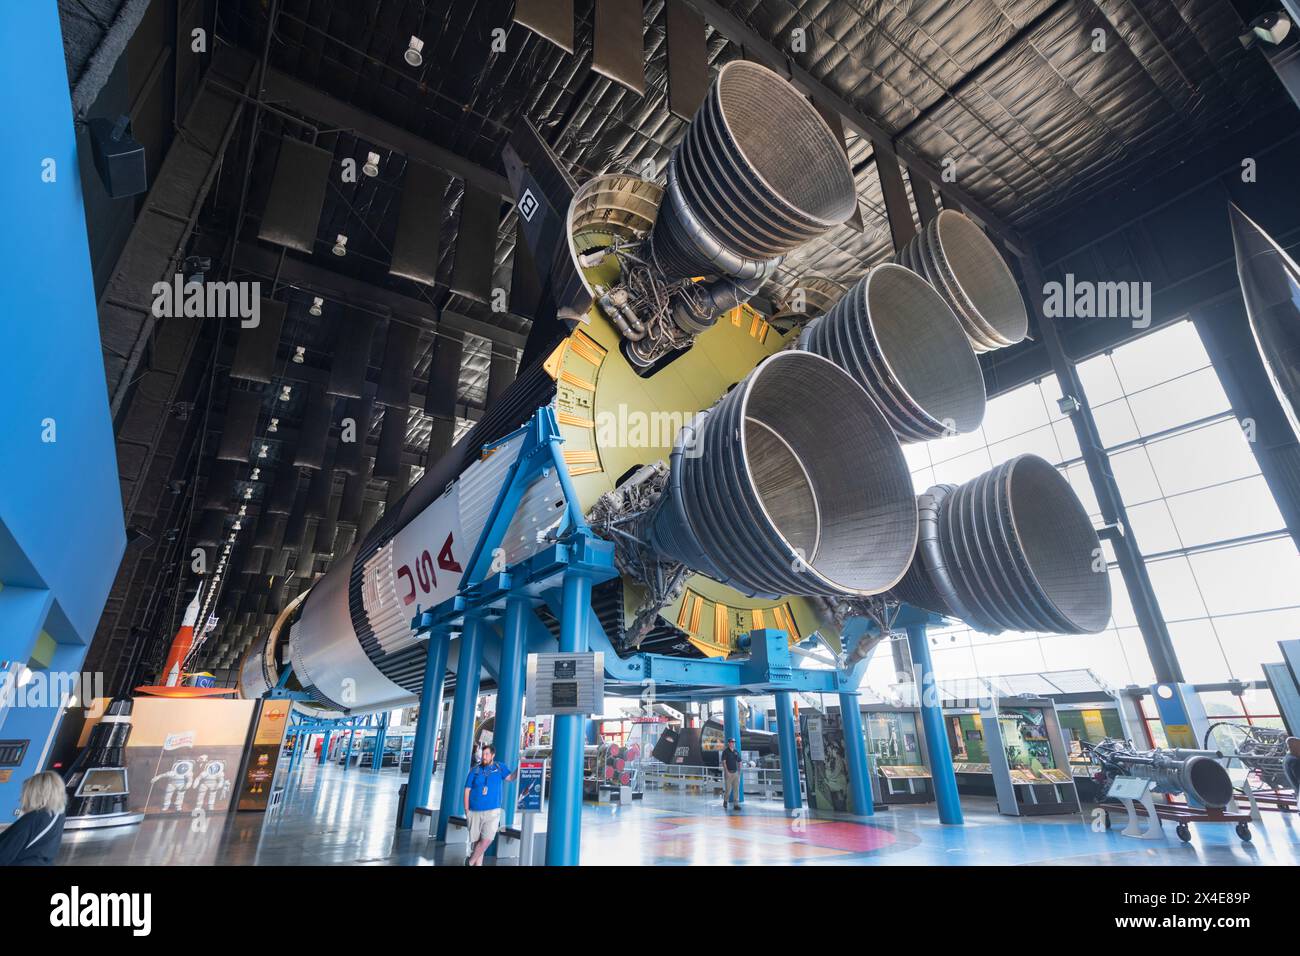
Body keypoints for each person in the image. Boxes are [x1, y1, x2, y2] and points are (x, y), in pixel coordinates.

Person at [463, 743, 515, 866]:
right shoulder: (475, 770)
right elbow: (467, 790)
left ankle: (470, 862)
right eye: (483, 754)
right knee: (477, 843)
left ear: (493, 755)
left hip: (493, 811)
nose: (484, 757)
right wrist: (466, 810)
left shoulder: (499, 767)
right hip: (474, 811)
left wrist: (522, 766)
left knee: (487, 840)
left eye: (487, 754)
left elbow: (511, 777)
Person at [0, 771, 66, 866]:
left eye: (25, 793)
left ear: (34, 794)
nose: (21, 798)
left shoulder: (31, 821)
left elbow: (4, 854)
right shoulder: (58, 815)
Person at [720, 737, 742, 810]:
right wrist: (726, 772)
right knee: (728, 790)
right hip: (728, 773)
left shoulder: (736, 752)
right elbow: (724, 762)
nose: (733, 743)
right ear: (729, 743)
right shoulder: (725, 752)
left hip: (735, 773)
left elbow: (739, 761)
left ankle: (736, 804)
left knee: (736, 790)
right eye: (732, 742)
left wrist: (739, 771)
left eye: (734, 742)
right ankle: (725, 801)